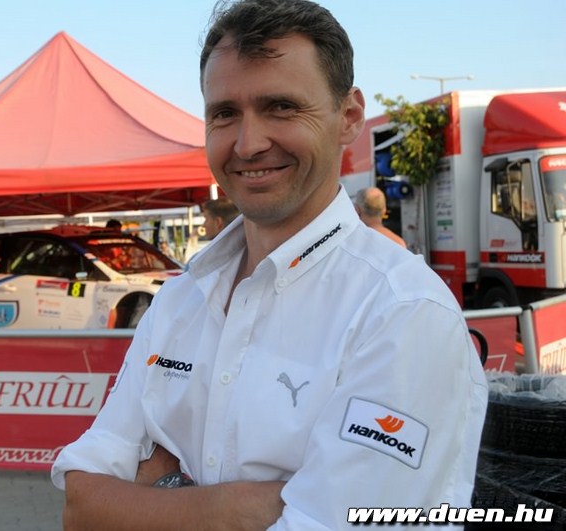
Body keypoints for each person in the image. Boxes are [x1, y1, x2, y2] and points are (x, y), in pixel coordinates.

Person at [51, 1, 488, 529]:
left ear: (348, 117)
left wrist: (147, 498)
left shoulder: (402, 312)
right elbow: (81, 506)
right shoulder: (180, 300)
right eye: (224, 113)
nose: (249, 143)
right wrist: (229, 509)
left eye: (281, 107)